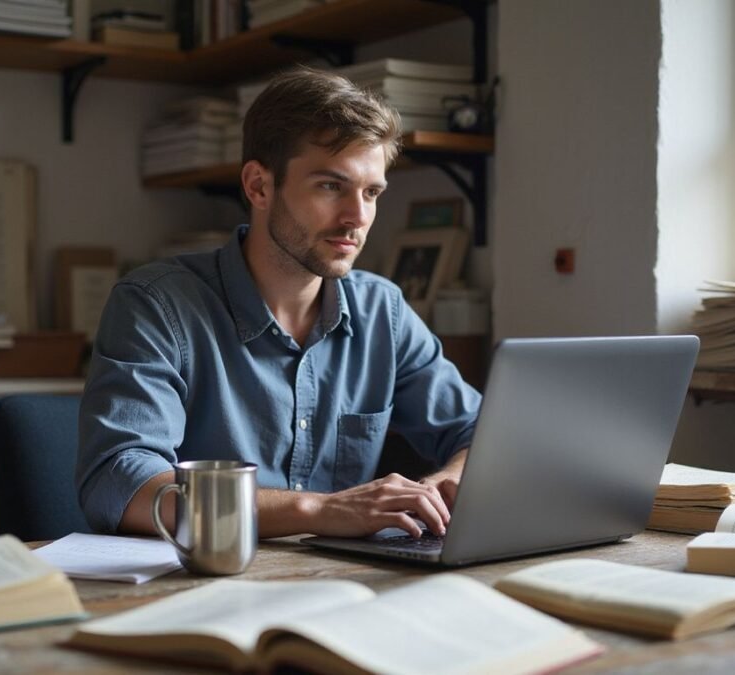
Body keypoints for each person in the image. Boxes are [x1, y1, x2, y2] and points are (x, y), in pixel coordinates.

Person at [76, 66, 482, 540]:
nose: (357, 217)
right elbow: (121, 483)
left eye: (371, 192)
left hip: (343, 590)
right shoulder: (155, 305)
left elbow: (483, 435)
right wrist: (316, 510)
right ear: (259, 186)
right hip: (207, 592)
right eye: (331, 186)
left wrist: (440, 488)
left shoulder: (382, 311)